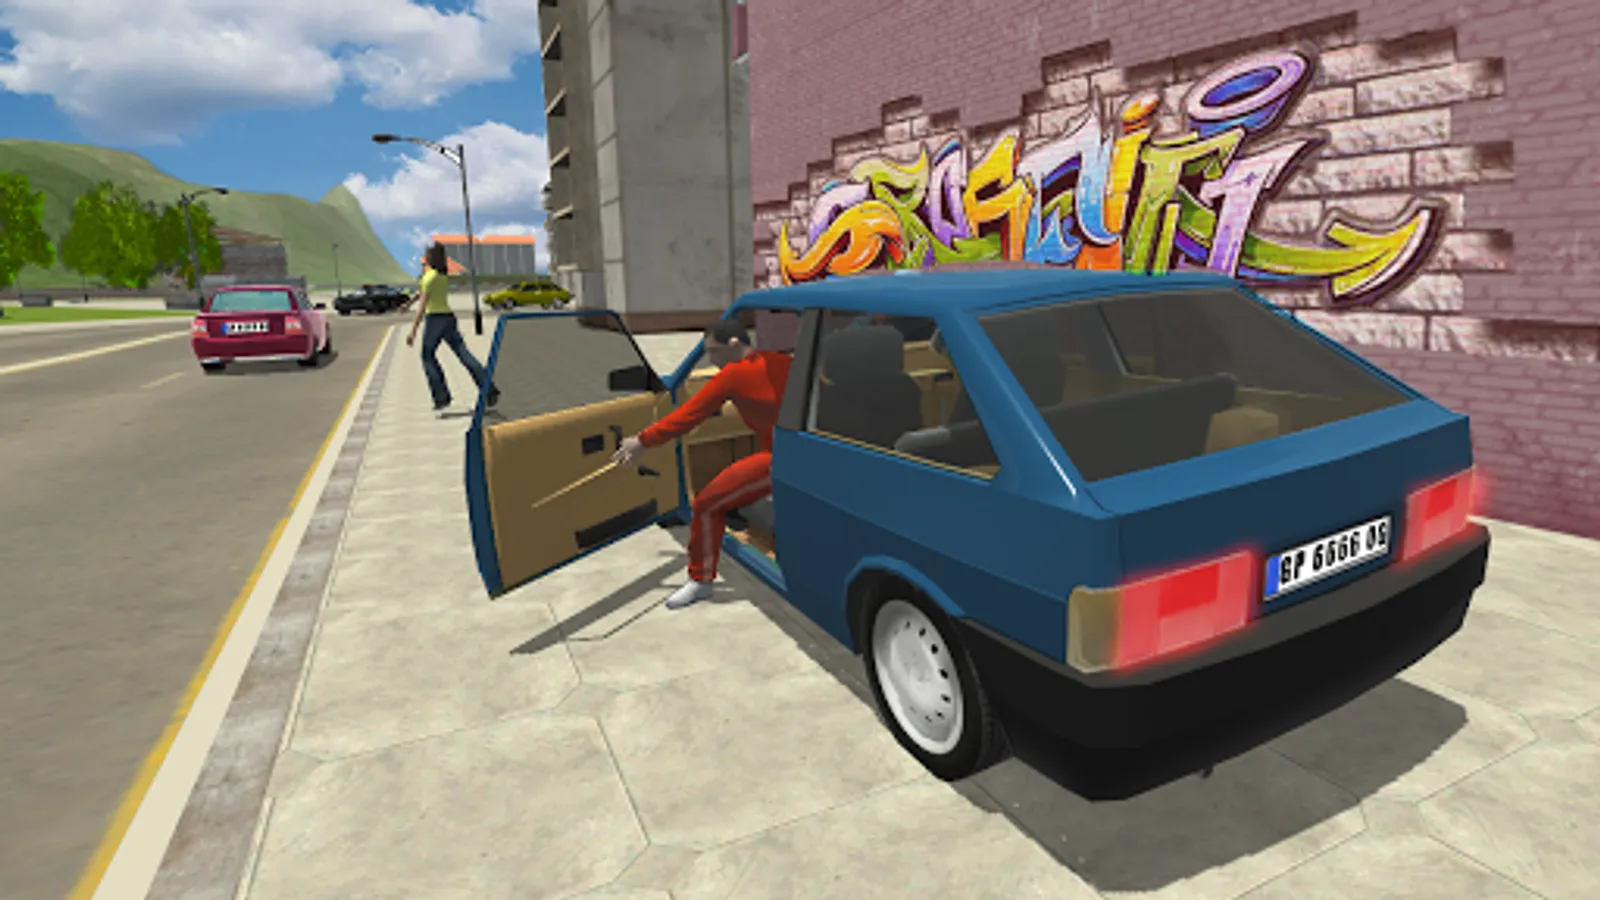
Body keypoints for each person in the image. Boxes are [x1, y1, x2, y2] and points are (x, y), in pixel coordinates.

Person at [612, 318, 790, 609]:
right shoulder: (782, 362)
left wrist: (643, 440)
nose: (712, 360)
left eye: (714, 351)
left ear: (734, 344)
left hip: (782, 460)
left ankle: (701, 581)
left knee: (707, 505)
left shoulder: (732, 375)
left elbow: (688, 415)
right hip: (814, 451)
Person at [406, 242, 500, 413]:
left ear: (430, 258)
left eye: (426, 255)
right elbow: (422, 292)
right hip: (449, 318)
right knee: (463, 353)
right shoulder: (441, 275)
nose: (424, 258)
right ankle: (489, 388)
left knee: (427, 356)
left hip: (435, 319)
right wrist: (408, 303)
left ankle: (441, 397)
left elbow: (423, 305)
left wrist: (413, 331)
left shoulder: (428, 277)